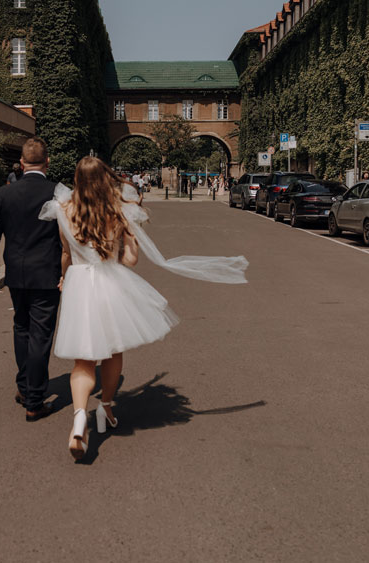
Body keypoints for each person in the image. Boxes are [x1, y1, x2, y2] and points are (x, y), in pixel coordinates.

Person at [39, 157, 248, 460]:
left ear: (77, 180)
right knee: (112, 351)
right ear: (104, 179)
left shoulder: (62, 210)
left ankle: (80, 417)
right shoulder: (117, 211)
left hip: (79, 285)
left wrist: (63, 276)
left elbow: (65, 253)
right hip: (110, 283)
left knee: (83, 361)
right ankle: (107, 407)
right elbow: (130, 261)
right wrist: (124, 244)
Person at [0, 137, 61, 422]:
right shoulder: (59, 193)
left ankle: (25, 388)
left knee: (21, 327)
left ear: (22, 164)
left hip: (16, 272)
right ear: (47, 162)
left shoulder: (3, 194)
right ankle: (34, 400)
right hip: (48, 274)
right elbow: (71, 238)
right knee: (41, 335)